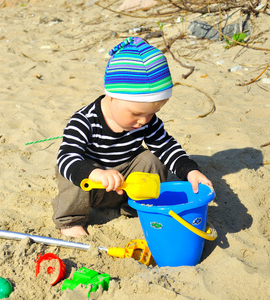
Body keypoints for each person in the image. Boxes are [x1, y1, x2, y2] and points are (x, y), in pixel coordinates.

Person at [52, 37, 212, 238]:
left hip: (127, 184)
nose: (144, 121)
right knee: (71, 170)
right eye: (136, 114)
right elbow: (66, 157)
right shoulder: (84, 121)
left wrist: (190, 171)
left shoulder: (146, 121)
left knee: (153, 159)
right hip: (92, 186)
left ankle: (137, 206)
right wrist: (96, 174)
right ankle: (71, 221)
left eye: (152, 113)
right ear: (112, 96)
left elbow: (166, 147)